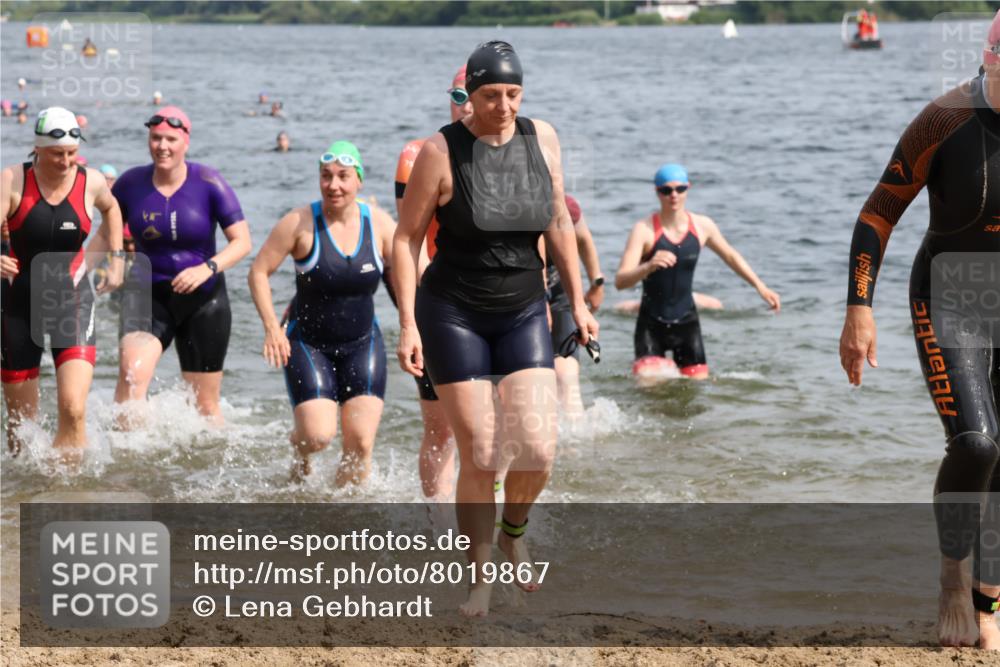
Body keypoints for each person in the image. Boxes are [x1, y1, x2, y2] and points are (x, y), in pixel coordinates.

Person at [394, 41, 599, 616]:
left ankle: (514, 532)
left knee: (538, 450)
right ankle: (480, 577)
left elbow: (558, 221)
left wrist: (578, 301)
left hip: (523, 308)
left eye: (513, 94)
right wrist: (408, 323)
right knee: (482, 453)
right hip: (452, 313)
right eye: (490, 96)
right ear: (471, 95)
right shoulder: (440, 151)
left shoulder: (543, 138)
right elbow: (406, 240)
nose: (503, 106)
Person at [840, 13, 1000, 649]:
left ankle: (989, 600)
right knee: (978, 444)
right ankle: (953, 579)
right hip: (951, 294)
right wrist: (859, 308)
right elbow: (877, 215)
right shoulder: (944, 119)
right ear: (991, 61)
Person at [248, 141, 395, 485]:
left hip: (362, 342)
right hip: (308, 343)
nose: (334, 185)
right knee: (318, 437)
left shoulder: (379, 224)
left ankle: (343, 511)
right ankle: (299, 448)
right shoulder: (298, 223)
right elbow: (258, 273)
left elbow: (408, 274)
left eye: (343, 176)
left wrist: (414, 326)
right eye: (326, 176)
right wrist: (272, 328)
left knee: (360, 444)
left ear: (359, 180)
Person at [111, 106, 251, 427]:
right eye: (156, 138)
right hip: (147, 296)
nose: (162, 146)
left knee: (205, 407)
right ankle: (126, 453)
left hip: (204, 300)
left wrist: (207, 268)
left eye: (171, 139)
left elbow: (242, 242)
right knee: (132, 376)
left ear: (185, 142)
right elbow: (107, 231)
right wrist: (94, 267)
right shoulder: (130, 183)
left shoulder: (209, 182)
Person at [1, 107, 125, 456]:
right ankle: (21, 488)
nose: (66, 161)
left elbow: (111, 209)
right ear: (38, 148)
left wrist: (116, 259)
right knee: (20, 427)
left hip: (73, 301)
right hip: (19, 306)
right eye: (57, 153)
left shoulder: (91, 182)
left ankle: (69, 484)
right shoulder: (12, 181)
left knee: (73, 408)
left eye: (72, 153)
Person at [615, 163, 779, 380]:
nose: (674, 195)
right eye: (666, 190)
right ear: (657, 192)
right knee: (649, 386)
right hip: (651, 324)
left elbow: (730, 256)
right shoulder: (643, 230)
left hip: (687, 323)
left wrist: (761, 287)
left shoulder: (702, 226)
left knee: (696, 388)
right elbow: (621, 281)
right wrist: (648, 266)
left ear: (688, 189)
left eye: (680, 189)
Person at [394, 65, 472, 502]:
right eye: (457, 96)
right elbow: (411, 236)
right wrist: (424, 309)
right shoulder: (418, 155)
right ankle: (438, 521)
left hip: (493, 301)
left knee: (495, 422)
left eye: (472, 95)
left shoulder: (511, 152)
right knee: (441, 427)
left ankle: (490, 513)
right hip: (437, 296)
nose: (465, 105)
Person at [546, 193, 604, 419]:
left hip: (560, 290)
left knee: (565, 374)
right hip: (524, 291)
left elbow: (584, 240)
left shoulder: (566, 205)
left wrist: (596, 282)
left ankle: (575, 433)